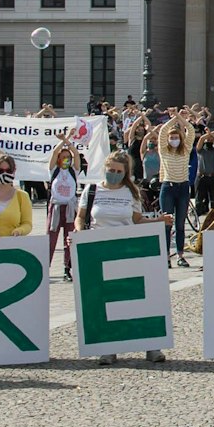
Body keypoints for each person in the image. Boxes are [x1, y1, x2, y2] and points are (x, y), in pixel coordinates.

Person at [79, 150, 171, 364]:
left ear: (125, 173)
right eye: (111, 170)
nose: (114, 174)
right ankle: (109, 348)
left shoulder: (132, 193)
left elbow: (137, 220)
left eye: (118, 171)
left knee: (137, 299)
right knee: (107, 301)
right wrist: (77, 234)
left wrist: (160, 221)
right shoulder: (91, 190)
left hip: (127, 249)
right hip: (99, 250)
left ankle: (151, 345)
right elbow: (80, 218)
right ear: (105, 169)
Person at [156, 115, 196, 268]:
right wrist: (173, 120)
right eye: (171, 137)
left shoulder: (185, 150)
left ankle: (180, 255)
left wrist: (181, 119)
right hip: (168, 187)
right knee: (167, 224)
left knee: (180, 224)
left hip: (183, 188)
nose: (174, 139)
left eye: (176, 137)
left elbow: (191, 131)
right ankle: (166, 256)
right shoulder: (164, 151)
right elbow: (162, 132)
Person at [45, 138, 83, 281]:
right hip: (55, 208)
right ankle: (45, 267)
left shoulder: (74, 171)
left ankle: (68, 269)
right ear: (59, 160)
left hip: (70, 208)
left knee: (69, 239)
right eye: (63, 157)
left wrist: (68, 141)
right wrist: (62, 141)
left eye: (68, 157)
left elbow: (77, 155)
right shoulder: (54, 171)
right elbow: (54, 152)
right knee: (50, 239)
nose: (66, 159)